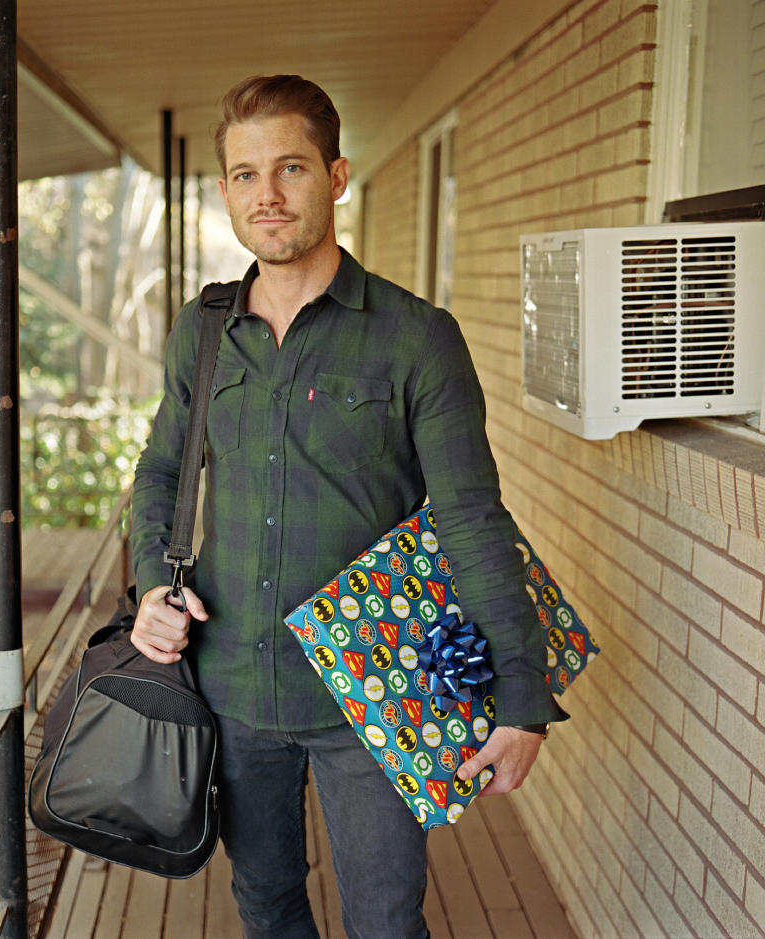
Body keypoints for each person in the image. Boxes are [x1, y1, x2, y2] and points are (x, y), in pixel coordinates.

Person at [129, 74, 566, 939]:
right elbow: (160, 474)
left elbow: (472, 516)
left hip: (371, 695)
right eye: (245, 175)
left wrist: (521, 696)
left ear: (335, 175)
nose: (268, 195)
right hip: (232, 683)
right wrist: (151, 585)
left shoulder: (414, 336)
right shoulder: (203, 331)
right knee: (266, 899)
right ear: (223, 192)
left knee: (384, 917)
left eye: (289, 167)